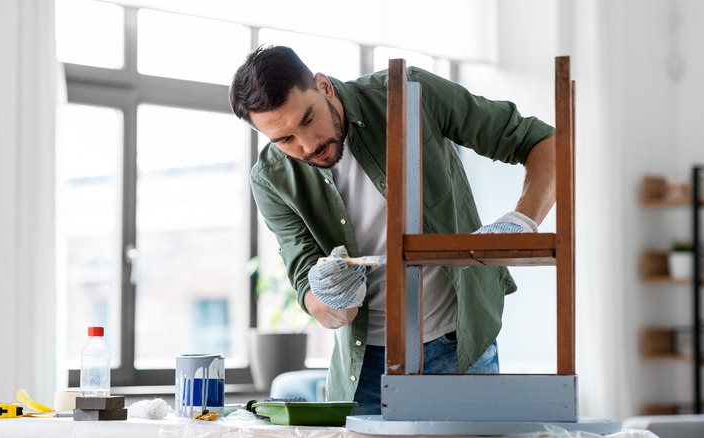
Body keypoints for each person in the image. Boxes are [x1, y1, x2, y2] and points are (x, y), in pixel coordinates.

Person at [228, 45, 556, 415]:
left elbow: (545, 141)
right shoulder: (270, 178)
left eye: (307, 120)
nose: (306, 145)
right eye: (284, 139)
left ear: (324, 87)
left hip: (459, 347)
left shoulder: (409, 94)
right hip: (363, 370)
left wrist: (522, 222)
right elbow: (310, 290)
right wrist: (330, 298)